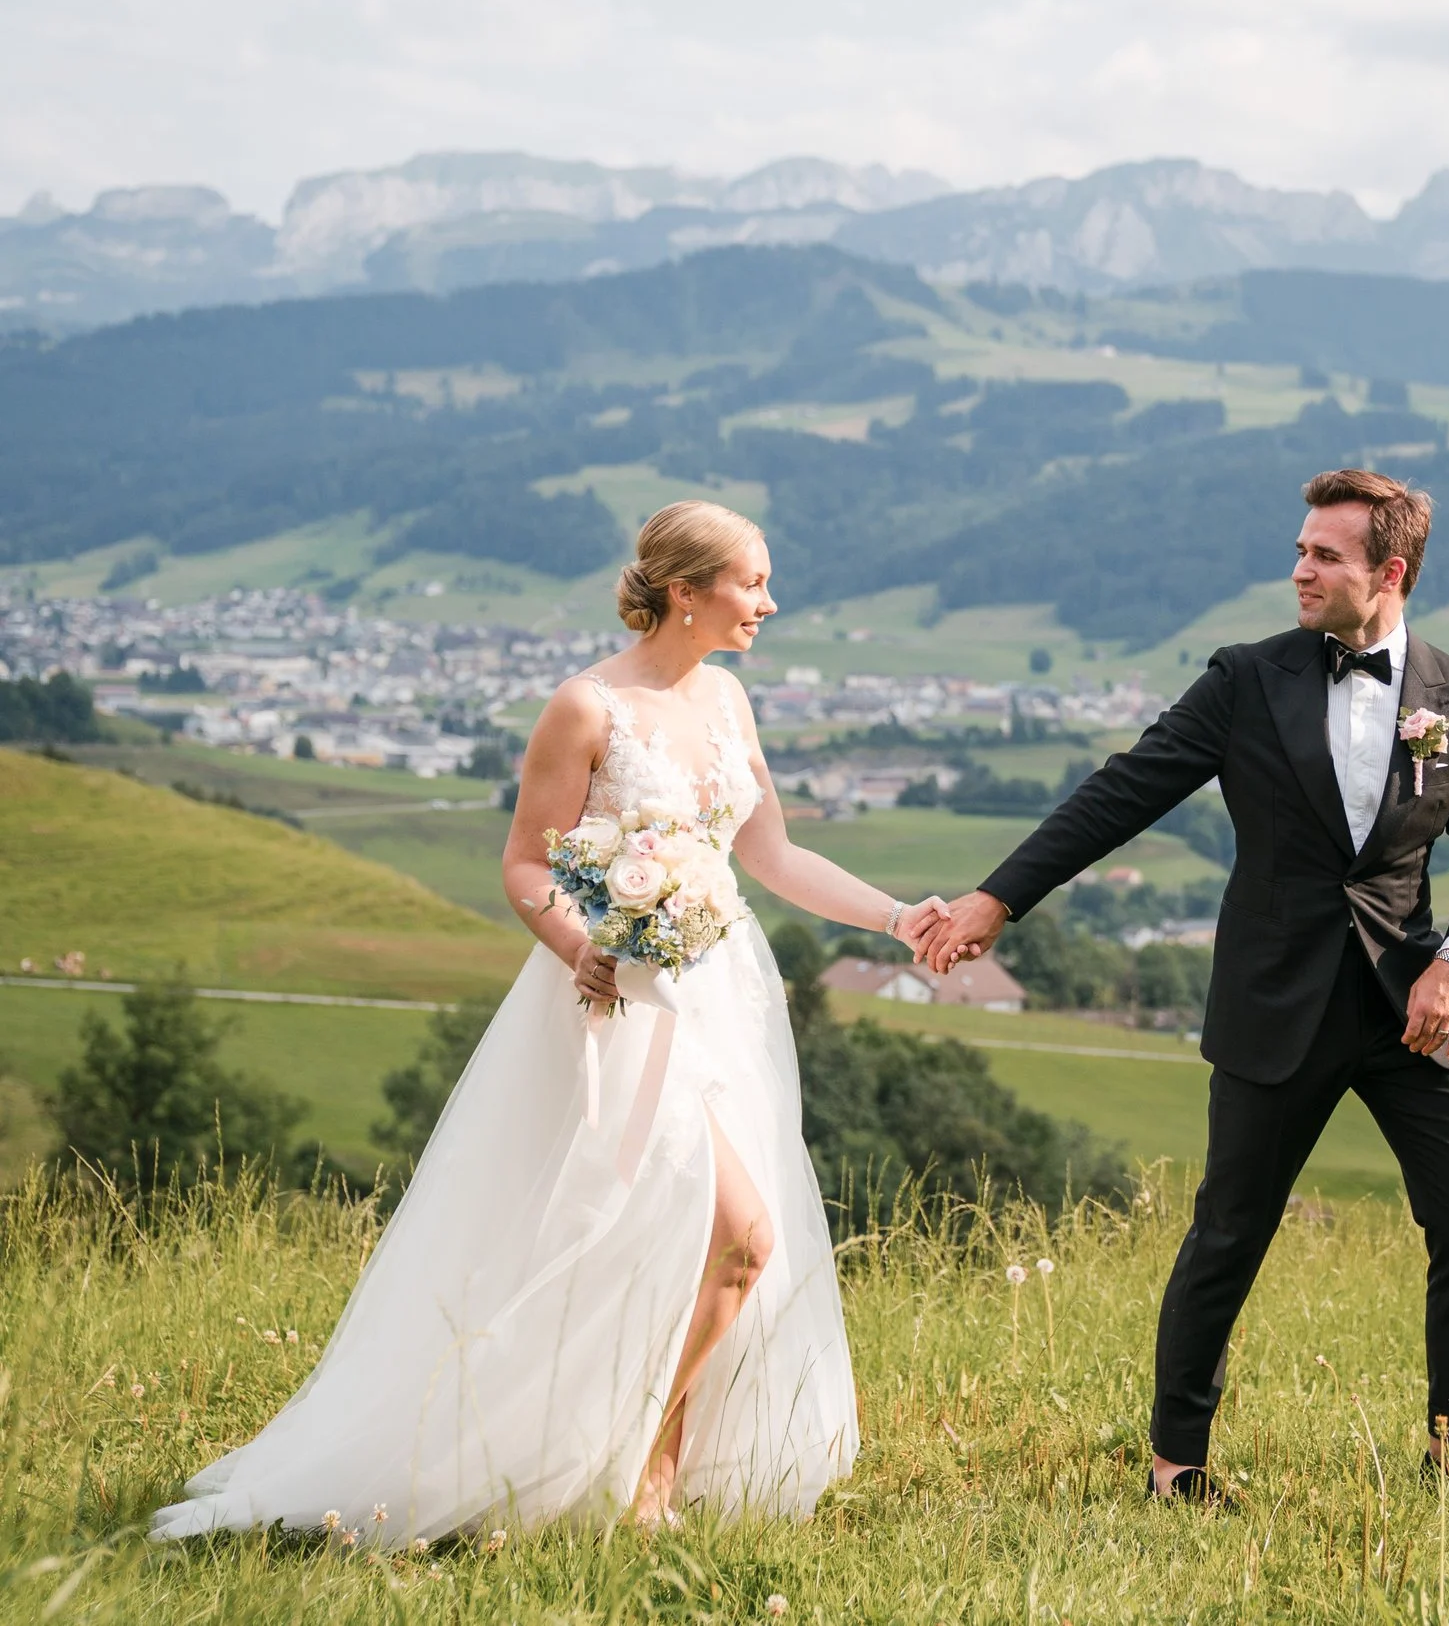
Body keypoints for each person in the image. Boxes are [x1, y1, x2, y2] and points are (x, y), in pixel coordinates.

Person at [153, 501, 952, 1544]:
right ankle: (639, 1467)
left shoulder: (728, 703)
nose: (769, 601)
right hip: (613, 1004)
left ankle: (638, 1457)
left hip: (723, 1002)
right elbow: (526, 863)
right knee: (733, 1236)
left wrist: (898, 917)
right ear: (683, 591)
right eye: (752, 581)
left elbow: (771, 858)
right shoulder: (585, 708)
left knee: (689, 1240)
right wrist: (589, 947)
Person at [931, 468, 1449, 1501]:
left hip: (1408, 1004)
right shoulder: (1246, 678)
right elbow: (1123, 788)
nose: (1298, 568)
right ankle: (1176, 1465)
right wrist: (997, 899)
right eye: (1299, 548)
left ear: (1388, 572)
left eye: (1322, 555)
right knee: (1229, 1231)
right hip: (1271, 999)